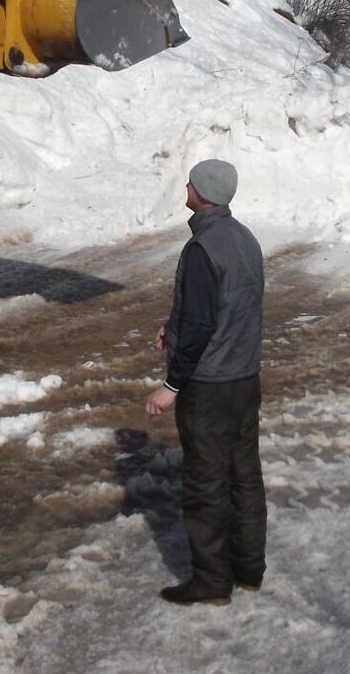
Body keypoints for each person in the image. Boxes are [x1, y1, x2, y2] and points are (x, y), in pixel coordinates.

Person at [142, 158, 267, 606]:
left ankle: (213, 583)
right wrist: (172, 327)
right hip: (244, 378)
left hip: (209, 386)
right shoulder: (244, 239)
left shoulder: (202, 248)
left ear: (202, 192)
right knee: (244, 475)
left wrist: (171, 387)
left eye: (191, 182)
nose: (187, 186)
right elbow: (228, 306)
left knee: (206, 483)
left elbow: (200, 323)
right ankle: (249, 570)